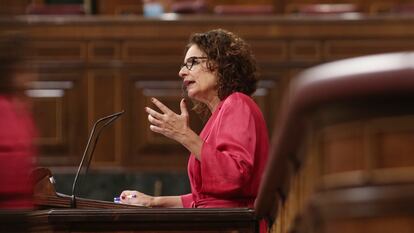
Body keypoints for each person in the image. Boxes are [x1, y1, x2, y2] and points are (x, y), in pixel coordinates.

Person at [120, 29, 268, 210]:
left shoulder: (238, 103)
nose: (182, 72)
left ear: (220, 64)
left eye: (192, 63)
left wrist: (184, 134)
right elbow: (205, 200)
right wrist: (153, 201)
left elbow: (234, 176)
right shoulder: (219, 115)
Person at [0, 32, 37, 209]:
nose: (31, 77)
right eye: (23, 71)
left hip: (21, 208)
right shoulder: (3, 107)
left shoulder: (22, 110)